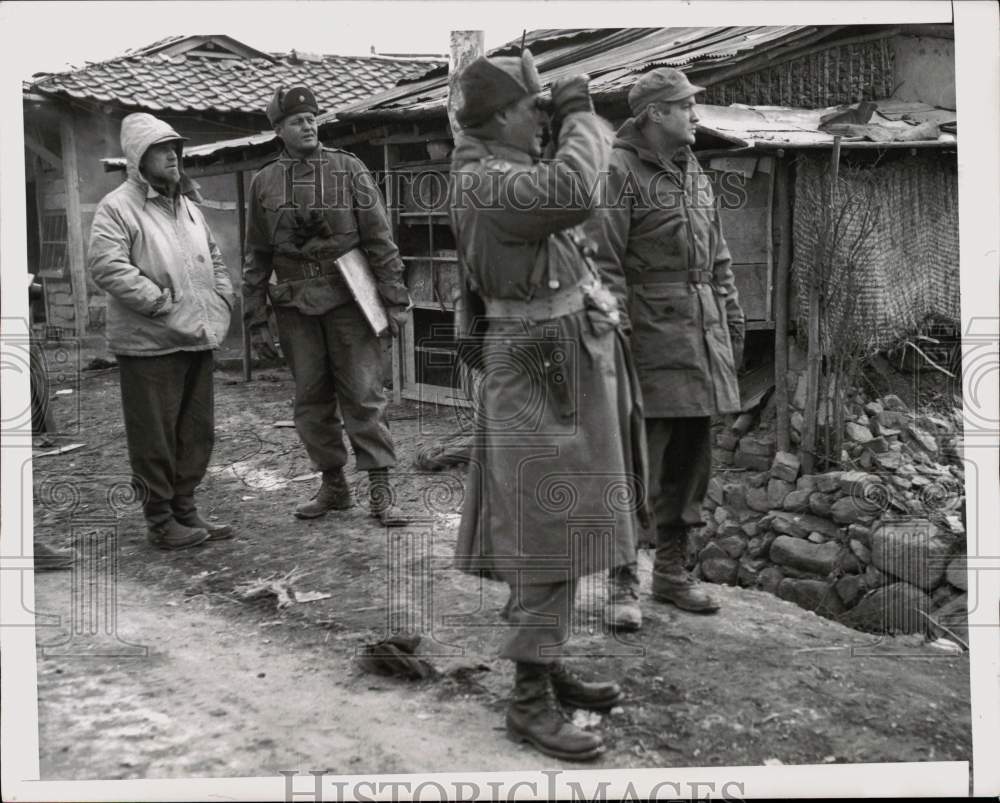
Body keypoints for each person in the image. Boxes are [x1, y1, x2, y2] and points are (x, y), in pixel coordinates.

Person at [451, 51, 648, 762]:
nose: (539, 118)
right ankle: (528, 700)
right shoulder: (487, 180)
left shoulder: (500, 172)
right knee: (546, 531)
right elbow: (578, 186)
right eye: (530, 109)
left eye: (544, 110)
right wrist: (576, 109)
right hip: (538, 364)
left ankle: (547, 660)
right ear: (501, 115)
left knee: (565, 524)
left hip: (553, 355)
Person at [586, 67, 746, 629]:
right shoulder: (616, 171)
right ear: (655, 113)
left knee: (689, 461)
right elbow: (603, 267)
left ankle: (673, 576)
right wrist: (619, 341)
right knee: (634, 463)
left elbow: (718, 258)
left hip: (700, 341)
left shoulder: (693, 170)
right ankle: (622, 583)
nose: (696, 115)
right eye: (685, 107)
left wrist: (731, 319)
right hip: (648, 343)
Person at [243, 86, 410, 525]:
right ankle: (334, 486)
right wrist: (255, 318)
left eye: (313, 117)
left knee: (364, 394)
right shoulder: (264, 181)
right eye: (297, 120)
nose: (308, 124)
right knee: (311, 399)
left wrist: (394, 299)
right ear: (279, 130)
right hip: (296, 306)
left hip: (350, 299)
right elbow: (257, 254)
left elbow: (380, 239)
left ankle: (380, 490)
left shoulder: (347, 168)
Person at [89, 113, 236, 550]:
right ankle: (160, 520)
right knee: (154, 436)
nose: (173, 155)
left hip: (196, 335)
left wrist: (221, 299)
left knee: (195, 431)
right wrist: (158, 302)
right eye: (161, 148)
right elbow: (106, 266)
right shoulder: (117, 206)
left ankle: (186, 511)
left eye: (175, 147)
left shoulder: (188, 205)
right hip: (149, 342)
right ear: (138, 158)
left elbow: (215, 256)